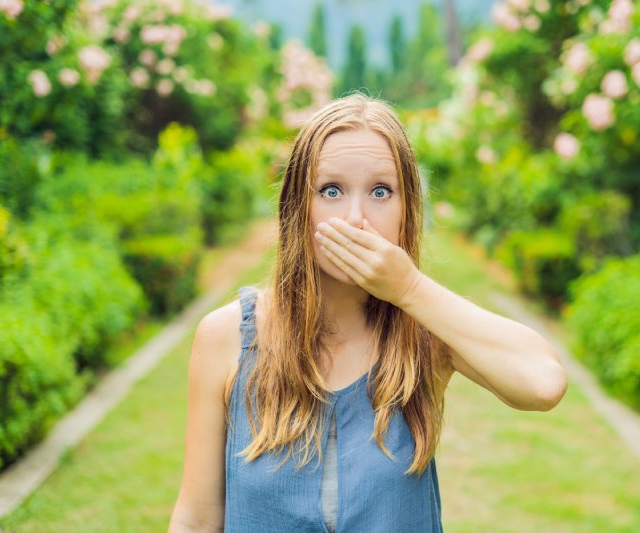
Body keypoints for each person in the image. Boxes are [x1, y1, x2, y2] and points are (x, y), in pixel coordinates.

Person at [168, 93, 567, 533]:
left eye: (381, 191)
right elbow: (197, 520)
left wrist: (411, 288)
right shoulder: (227, 337)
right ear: (298, 208)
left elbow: (543, 383)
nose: (356, 218)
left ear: (406, 211)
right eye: (331, 190)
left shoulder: (425, 334)